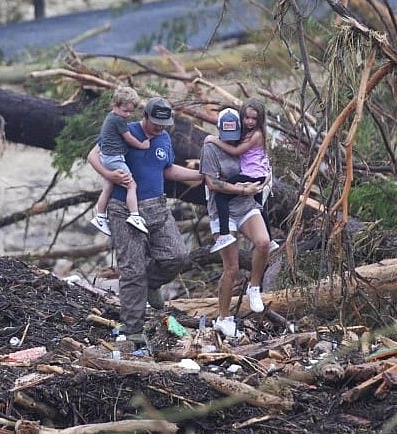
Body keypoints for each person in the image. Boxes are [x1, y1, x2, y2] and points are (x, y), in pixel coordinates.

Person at [87, 97, 202, 343]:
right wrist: (109, 175)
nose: (160, 128)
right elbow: (93, 156)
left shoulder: (164, 138)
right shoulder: (124, 129)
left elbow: (167, 169)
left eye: (164, 124)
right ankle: (133, 330)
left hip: (157, 206)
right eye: (156, 123)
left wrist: (199, 175)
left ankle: (150, 284)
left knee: (177, 255)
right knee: (132, 270)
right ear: (146, 116)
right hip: (123, 209)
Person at [199, 107, 272, 338]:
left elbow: (256, 159)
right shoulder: (210, 148)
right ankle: (223, 317)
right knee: (231, 267)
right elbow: (211, 183)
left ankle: (254, 286)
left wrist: (265, 176)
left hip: (246, 204)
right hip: (222, 211)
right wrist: (242, 188)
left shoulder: (246, 139)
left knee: (264, 243)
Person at [204, 98, 276, 253]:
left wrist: (214, 139)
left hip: (252, 175)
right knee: (259, 206)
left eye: (254, 118)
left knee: (220, 196)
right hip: (258, 174)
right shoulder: (250, 133)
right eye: (247, 117)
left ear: (260, 119)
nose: (250, 121)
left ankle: (224, 234)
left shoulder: (256, 135)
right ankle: (270, 240)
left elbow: (236, 151)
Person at [90, 86, 150, 236]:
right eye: (125, 111)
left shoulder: (111, 117)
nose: (128, 115)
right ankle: (134, 215)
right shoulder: (118, 120)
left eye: (130, 111)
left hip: (106, 157)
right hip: (114, 158)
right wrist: (142, 145)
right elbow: (128, 138)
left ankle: (100, 216)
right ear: (115, 105)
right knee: (131, 185)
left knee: (108, 187)